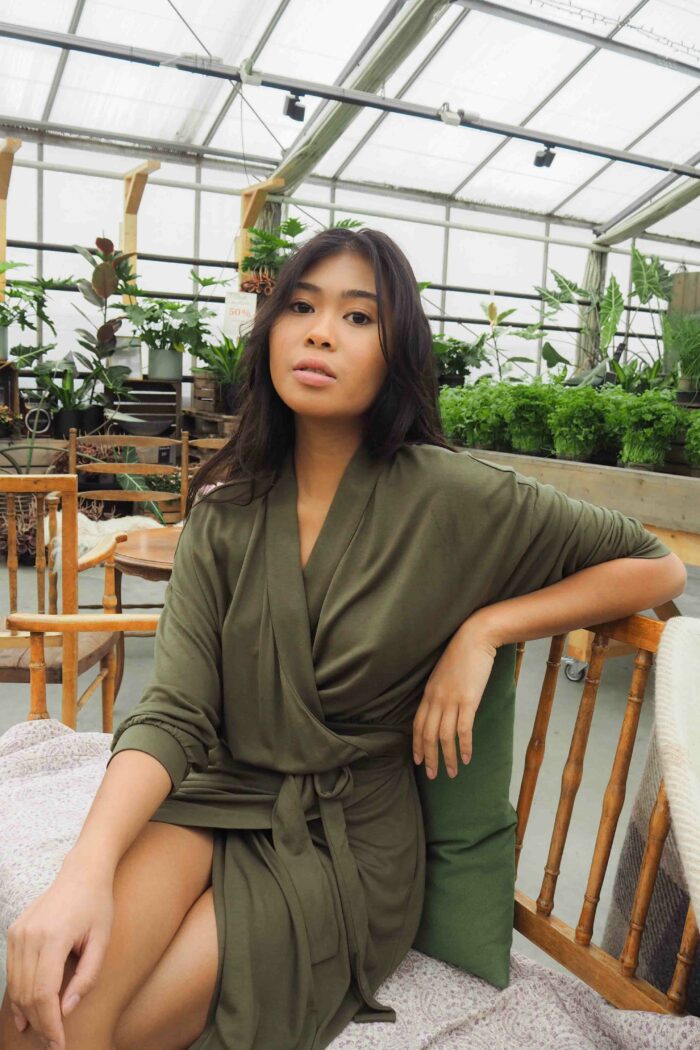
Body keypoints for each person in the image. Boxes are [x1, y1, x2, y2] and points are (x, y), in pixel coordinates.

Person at [1, 227, 687, 1050]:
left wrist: (486, 629)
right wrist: (86, 869)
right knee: (42, 1009)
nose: (321, 331)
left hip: (343, 836)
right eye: (300, 305)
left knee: (91, 1027)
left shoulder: (455, 498)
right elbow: (176, 712)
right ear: (272, 332)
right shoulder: (226, 510)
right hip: (218, 792)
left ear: (397, 351)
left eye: (358, 317)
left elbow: (656, 567)